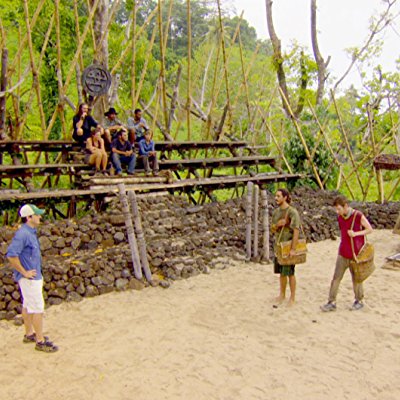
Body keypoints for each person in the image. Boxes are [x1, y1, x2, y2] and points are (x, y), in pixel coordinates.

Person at [6, 204, 58, 353]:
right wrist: (24, 272)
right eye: (37, 214)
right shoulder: (23, 234)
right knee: (37, 308)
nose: (40, 217)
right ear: (29, 217)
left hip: (31, 277)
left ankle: (29, 334)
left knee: (28, 305)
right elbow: (11, 255)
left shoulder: (28, 232)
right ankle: (40, 341)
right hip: (30, 279)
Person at [321, 195, 373, 312]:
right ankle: (331, 302)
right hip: (343, 251)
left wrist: (356, 234)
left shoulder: (358, 215)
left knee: (357, 279)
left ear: (345, 206)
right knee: (336, 278)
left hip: (356, 253)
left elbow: (369, 229)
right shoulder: (340, 217)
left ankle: (359, 300)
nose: (337, 212)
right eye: (336, 209)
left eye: (339, 209)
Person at [271, 188, 301, 306]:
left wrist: (293, 249)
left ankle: (292, 298)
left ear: (285, 197)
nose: (276, 198)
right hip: (279, 246)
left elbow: (296, 231)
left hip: (288, 246)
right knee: (281, 273)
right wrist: (278, 225)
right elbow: (272, 229)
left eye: (278, 196)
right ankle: (282, 294)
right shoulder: (276, 212)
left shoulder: (293, 212)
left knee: (290, 273)